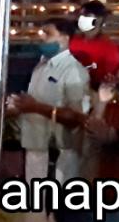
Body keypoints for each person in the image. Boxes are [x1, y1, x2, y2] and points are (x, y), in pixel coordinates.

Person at [11, 18, 90, 183]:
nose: (42, 37)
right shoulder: (41, 66)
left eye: (47, 34)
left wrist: (34, 107)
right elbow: (35, 102)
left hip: (59, 153)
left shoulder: (73, 70)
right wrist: (19, 105)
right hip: (35, 147)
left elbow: (77, 118)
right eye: (41, 33)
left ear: (65, 38)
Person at [69, 0, 119, 86]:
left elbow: (110, 76)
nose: (81, 19)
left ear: (99, 19)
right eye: (80, 16)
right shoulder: (71, 40)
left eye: (86, 15)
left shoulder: (108, 47)